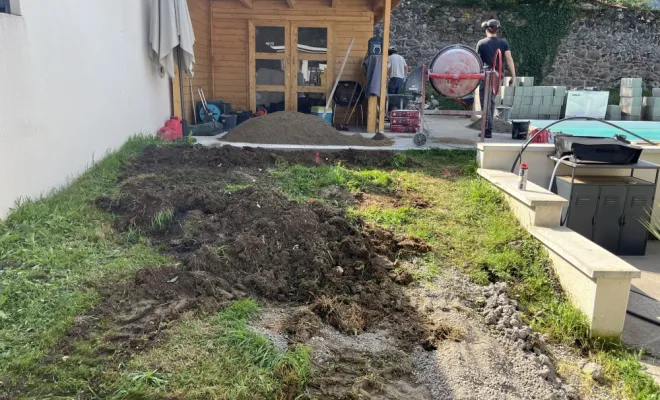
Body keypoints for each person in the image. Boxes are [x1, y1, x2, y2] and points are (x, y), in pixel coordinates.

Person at [476, 19, 516, 138]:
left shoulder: (481, 43)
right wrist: (513, 76)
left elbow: (476, 62)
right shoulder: (503, 43)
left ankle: (487, 130)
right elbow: (509, 59)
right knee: (491, 102)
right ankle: (488, 128)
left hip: (486, 76)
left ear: (486, 29)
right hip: (497, 77)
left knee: (485, 103)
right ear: (497, 29)